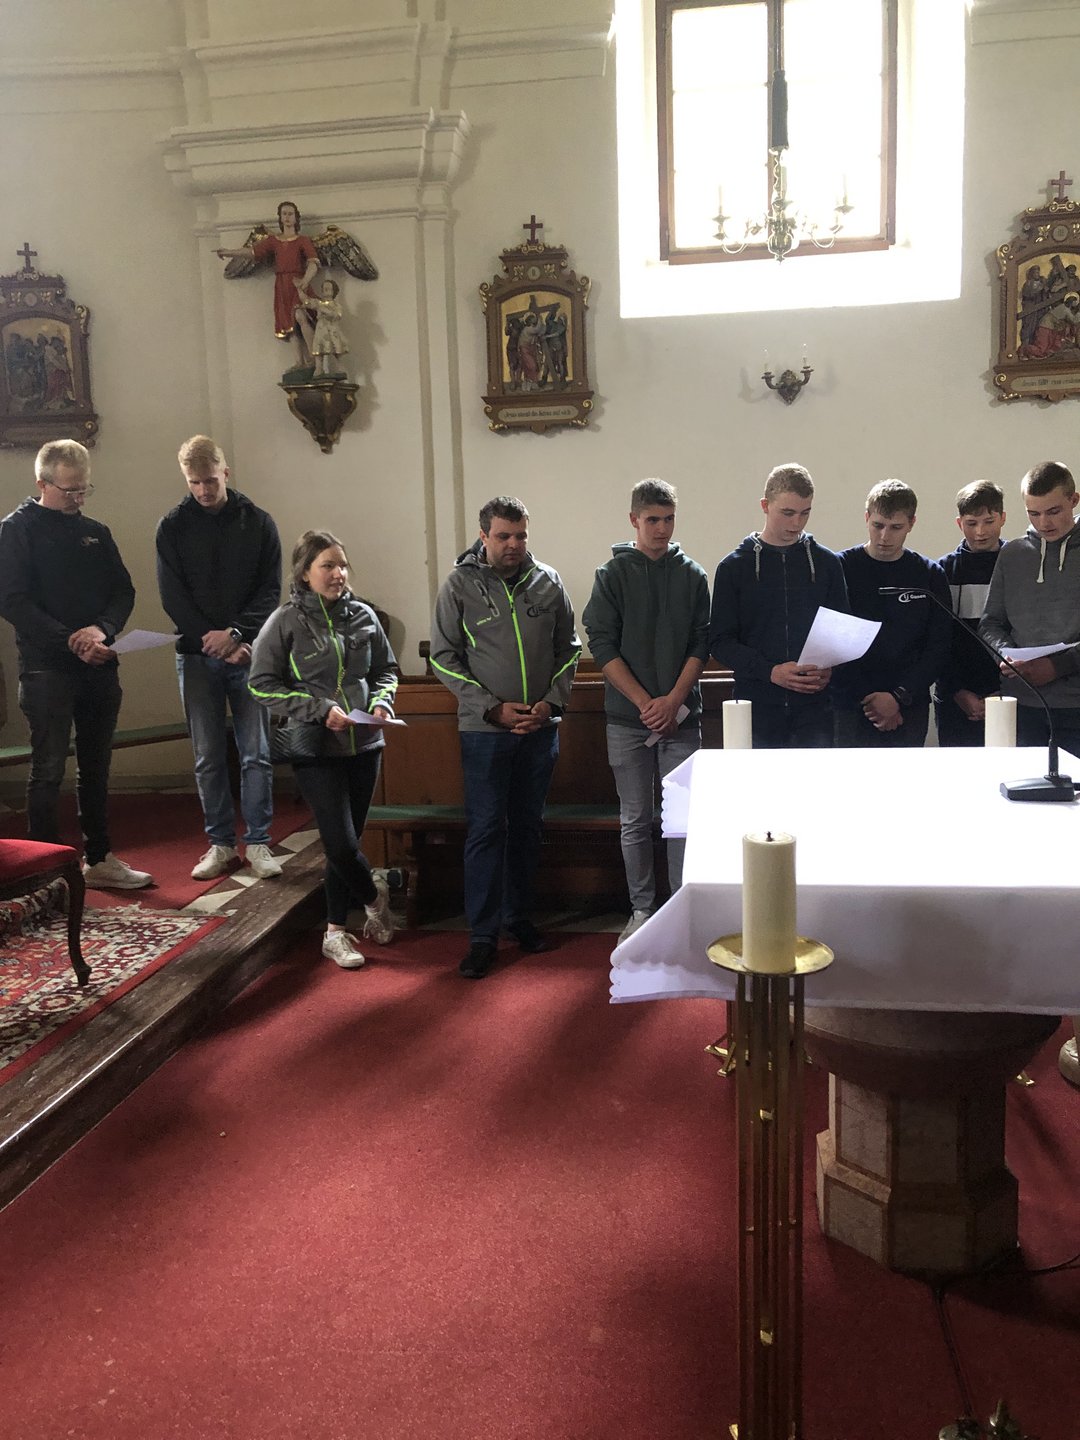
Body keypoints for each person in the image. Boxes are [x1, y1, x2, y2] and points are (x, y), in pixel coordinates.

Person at [430, 497, 580, 979]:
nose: (514, 544)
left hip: (539, 728)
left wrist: (551, 703)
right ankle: (482, 935)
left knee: (528, 827)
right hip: (485, 732)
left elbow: (569, 648)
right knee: (487, 830)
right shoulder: (459, 585)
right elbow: (442, 657)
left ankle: (519, 918)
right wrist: (491, 707)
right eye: (503, 536)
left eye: (521, 535)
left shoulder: (548, 581)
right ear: (484, 536)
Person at [0, 439, 151, 888]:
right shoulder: (16, 530)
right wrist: (70, 639)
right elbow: (12, 600)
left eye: (84, 489)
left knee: (96, 767)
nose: (78, 498)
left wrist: (101, 630)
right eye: (70, 490)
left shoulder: (96, 532)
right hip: (46, 668)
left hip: (98, 663)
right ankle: (44, 873)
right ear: (42, 484)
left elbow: (123, 591)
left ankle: (99, 858)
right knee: (48, 770)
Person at [248, 530, 397, 969]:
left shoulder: (364, 615)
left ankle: (334, 933)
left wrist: (382, 700)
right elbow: (261, 685)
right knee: (340, 843)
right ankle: (374, 897)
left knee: (343, 847)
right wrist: (317, 709)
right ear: (304, 573)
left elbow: (386, 670)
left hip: (365, 745)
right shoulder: (284, 622)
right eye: (327, 566)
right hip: (314, 747)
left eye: (342, 565)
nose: (338, 574)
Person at [583, 480, 709, 946]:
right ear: (634, 520)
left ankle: (680, 905)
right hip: (627, 719)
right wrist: (644, 703)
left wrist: (673, 701)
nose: (661, 528)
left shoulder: (692, 575)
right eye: (652, 519)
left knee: (680, 819)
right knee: (635, 818)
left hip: (681, 716)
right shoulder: (611, 575)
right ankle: (641, 909)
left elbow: (701, 643)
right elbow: (602, 645)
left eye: (668, 519)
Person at [156, 436, 283, 881]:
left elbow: (270, 591)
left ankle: (260, 842)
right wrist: (212, 640)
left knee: (256, 753)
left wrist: (236, 635)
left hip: (248, 653)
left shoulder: (258, 522)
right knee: (208, 756)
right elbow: (173, 596)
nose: (204, 490)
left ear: (225, 473)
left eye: (210, 481)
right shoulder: (172, 527)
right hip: (196, 656)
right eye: (195, 482)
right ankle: (221, 844)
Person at [709, 463, 848, 748]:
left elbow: (842, 631)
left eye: (805, 513)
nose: (797, 523)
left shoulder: (826, 563)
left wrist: (830, 669)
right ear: (765, 505)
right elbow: (720, 642)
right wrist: (770, 671)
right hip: (756, 707)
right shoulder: (734, 567)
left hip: (815, 707)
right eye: (788, 513)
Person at [835, 480, 951, 747]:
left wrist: (898, 697)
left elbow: (938, 646)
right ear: (867, 518)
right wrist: (871, 700)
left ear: (911, 523)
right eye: (878, 525)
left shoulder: (930, 574)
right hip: (851, 704)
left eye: (896, 527)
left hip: (909, 704)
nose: (884, 537)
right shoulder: (840, 568)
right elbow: (833, 641)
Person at [980, 459, 1080, 754]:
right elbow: (991, 623)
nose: (1044, 523)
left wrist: (1057, 666)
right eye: (1033, 513)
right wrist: (1006, 655)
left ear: (1074, 500)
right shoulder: (1012, 554)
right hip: (1021, 704)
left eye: (1054, 511)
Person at [934, 479, 1007, 747]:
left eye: (989, 521)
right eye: (971, 523)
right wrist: (957, 691)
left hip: (1008, 695)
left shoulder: (1017, 564)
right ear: (959, 523)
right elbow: (937, 640)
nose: (980, 532)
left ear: (1003, 518)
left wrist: (1003, 692)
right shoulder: (942, 571)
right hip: (956, 697)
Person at [216, 200, 319, 376]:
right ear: (280, 217)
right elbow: (252, 252)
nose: (287, 217)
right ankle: (299, 362)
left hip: (297, 283)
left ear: (296, 217)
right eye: (284, 214)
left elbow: (313, 262)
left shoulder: (302, 240)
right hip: (282, 284)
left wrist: (306, 280)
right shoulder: (274, 241)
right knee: (290, 325)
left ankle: (314, 359)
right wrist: (229, 252)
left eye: (290, 214)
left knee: (301, 316)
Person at [307, 279, 348, 377]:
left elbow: (337, 315)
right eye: (324, 288)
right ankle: (319, 368)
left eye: (329, 288)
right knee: (318, 348)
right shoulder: (319, 303)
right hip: (321, 328)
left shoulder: (336, 305)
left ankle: (340, 367)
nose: (326, 290)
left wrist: (324, 310)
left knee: (336, 347)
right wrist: (300, 289)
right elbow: (308, 302)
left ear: (334, 291)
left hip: (332, 329)